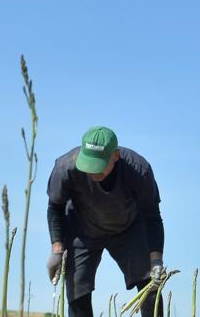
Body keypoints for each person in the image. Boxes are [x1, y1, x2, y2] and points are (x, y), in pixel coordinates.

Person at [46, 126, 166, 317]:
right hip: (82, 230)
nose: (93, 173)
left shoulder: (138, 170)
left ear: (116, 156)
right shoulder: (65, 167)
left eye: (99, 165)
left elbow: (152, 216)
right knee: (77, 291)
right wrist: (57, 249)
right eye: (89, 164)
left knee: (149, 285)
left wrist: (156, 260)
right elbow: (55, 208)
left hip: (129, 229)